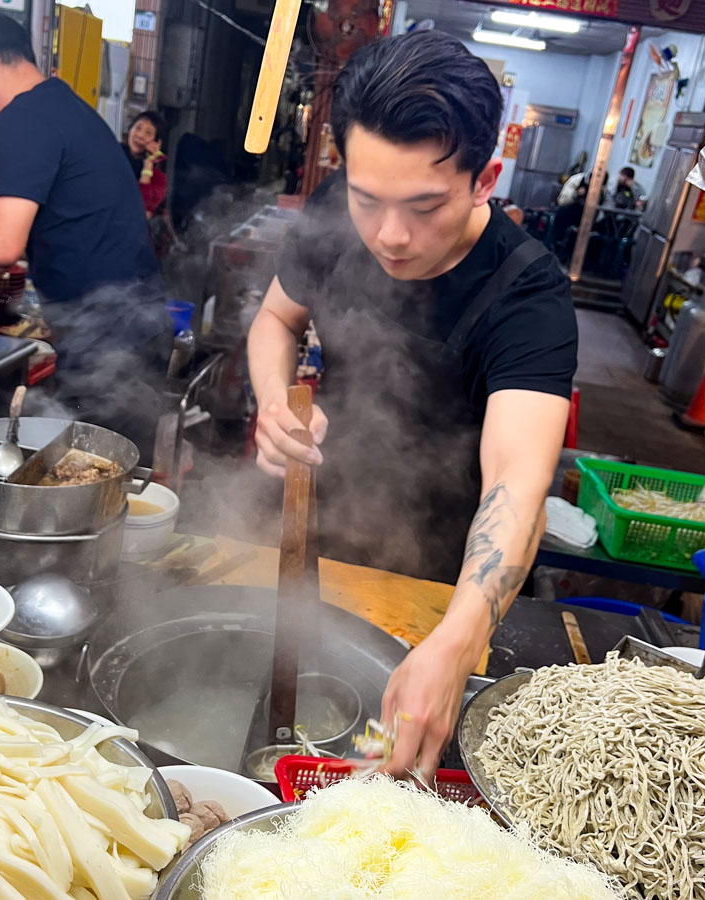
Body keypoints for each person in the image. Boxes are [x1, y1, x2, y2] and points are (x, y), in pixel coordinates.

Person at [247, 31, 576, 778]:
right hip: (319, 536)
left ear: (485, 178)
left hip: (446, 582)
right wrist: (274, 400)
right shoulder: (338, 209)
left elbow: (517, 483)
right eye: (369, 200)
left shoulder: (527, 294)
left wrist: (458, 642)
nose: (390, 235)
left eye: (424, 206)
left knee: (387, 769)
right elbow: (276, 318)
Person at [0, 10, 168, 454]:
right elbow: (27, 225)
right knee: (102, 479)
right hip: (123, 331)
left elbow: (2, 247)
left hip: (112, 341)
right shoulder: (56, 104)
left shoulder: (22, 118)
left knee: (97, 485)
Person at [122, 110, 168, 220]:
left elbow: (142, 213)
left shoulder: (158, 179)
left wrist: (147, 167)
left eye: (148, 133)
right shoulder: (113, 154)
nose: (140, 135)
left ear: (157, 142)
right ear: (130, 129)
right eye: (138, 128)